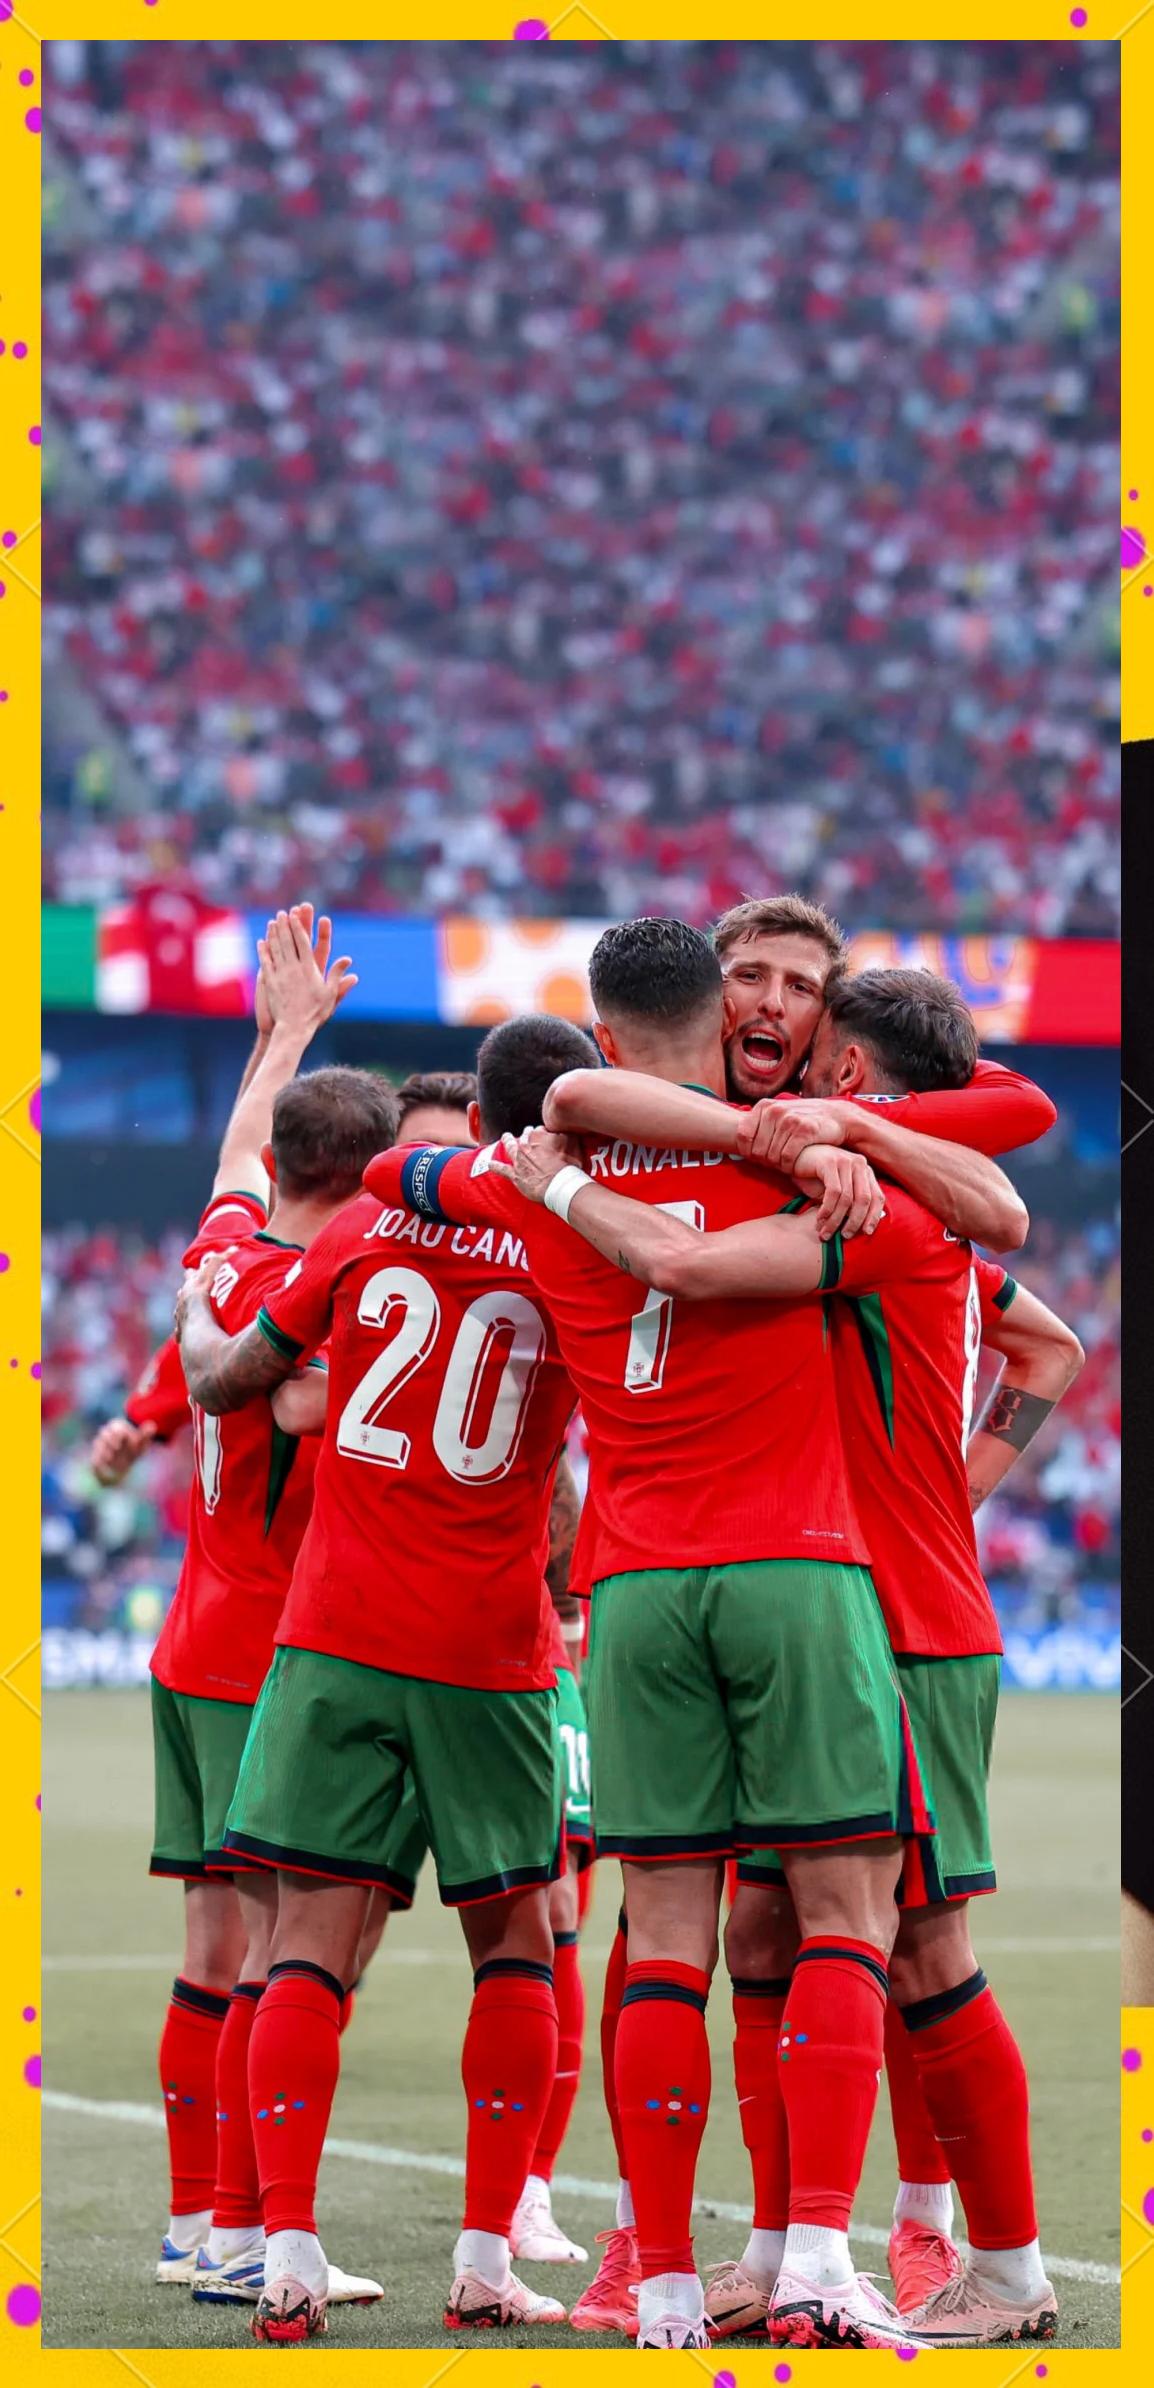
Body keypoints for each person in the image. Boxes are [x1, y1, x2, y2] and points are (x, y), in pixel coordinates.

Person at [361, 925, 982, 2352]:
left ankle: (657, 2289)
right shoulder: (804, 1171)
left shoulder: (528, 1179)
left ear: (600, 1033)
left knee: (660, 1939)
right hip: (796, 1567)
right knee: (847, 1918)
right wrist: (824, 1136)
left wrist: (542, 1159)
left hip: (633, 1589)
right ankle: (817, 2259)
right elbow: (990, 1210)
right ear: (726, 1023)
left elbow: (401, 1177)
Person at [507, 964, 1079, 2350]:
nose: (770, 1032)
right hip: (819, 1602)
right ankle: (780, 2250)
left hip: (897, 1615)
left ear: (845, 1069)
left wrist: (952, 1492)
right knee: (768, 1932)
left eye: (800, 1017)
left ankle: (995, 2265)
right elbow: (1043, 1335)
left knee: (914, 1944)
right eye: (745, 984)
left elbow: (1026, 1272)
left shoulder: (884, 1199)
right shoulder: (820, 1174)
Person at [175, 1014, 598, 2344]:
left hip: (333, 1636)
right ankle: (485, 2256)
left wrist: (197, 1331)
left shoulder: (366, 1222)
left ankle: (286, 2254)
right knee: (517, 1946)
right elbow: (585, 1473)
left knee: (301, 1946)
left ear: (475, 1117)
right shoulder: (579, 1245)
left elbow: (236, 1381)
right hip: (489, 1651)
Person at [148, 905, 395, 2303]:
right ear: (363, 1183)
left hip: (193, 1635)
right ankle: (246, 2238)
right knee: (285, 1953)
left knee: (215, 1948)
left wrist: (285, 1034)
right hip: (271, 1653)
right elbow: (307, 1402)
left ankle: (199, 2221)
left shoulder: (229, 1247)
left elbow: (240, 1147)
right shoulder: (330, 1290)